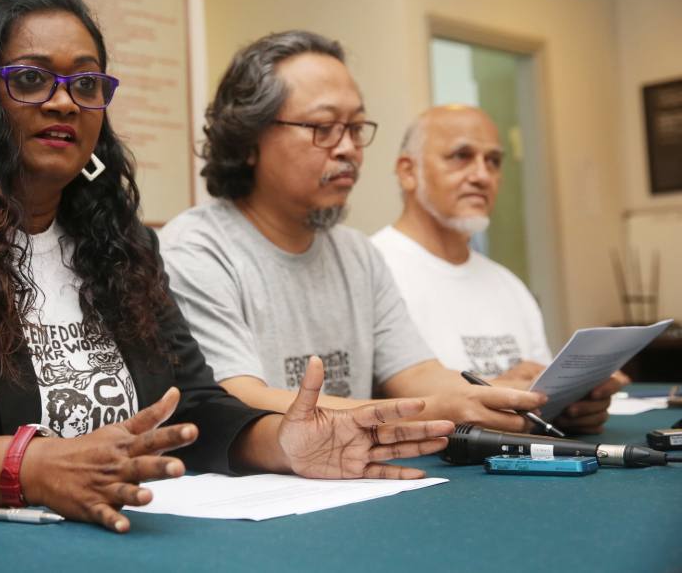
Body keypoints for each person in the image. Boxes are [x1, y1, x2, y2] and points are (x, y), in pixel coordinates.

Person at [0, 0, 453, 533]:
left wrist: (280, 440)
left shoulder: (116, 237)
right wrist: (29, 465)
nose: (64, 102)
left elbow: (190, 403)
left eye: (87, 84)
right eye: (30, 79)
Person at [159, 30, 547, 431]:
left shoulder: (357, 253)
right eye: (323, 127)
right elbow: (240, 398)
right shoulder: (196, 250)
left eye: (357, 128)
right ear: (248, 141)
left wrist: (516, 397)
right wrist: (438, 409)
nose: (348, 149)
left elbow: (416, 374)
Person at [370, 105, 627, 433]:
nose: (481, 175)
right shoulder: (372, 268)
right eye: (461, 156)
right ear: (408, 171)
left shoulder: (508, 285)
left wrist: (574, 407)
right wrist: (503, 388)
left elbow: (542, 392)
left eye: (493, 161)